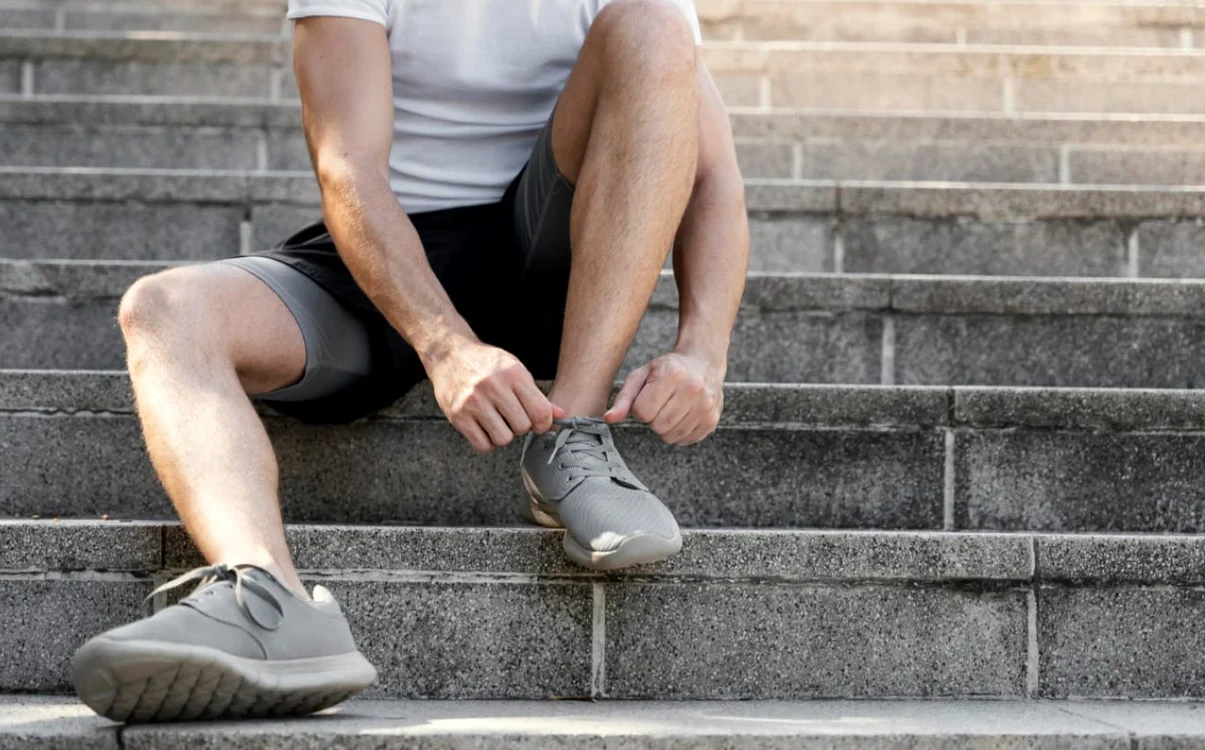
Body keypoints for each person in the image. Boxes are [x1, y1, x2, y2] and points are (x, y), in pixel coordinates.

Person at [71, 0, 749, 724]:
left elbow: (709, 175)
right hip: (389, 265)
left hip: (561, 256)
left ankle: (571, 434)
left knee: (651, 24)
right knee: (164, 309)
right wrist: (445, 345)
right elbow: (346, 166)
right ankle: (264, 599)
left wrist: (702, 354)